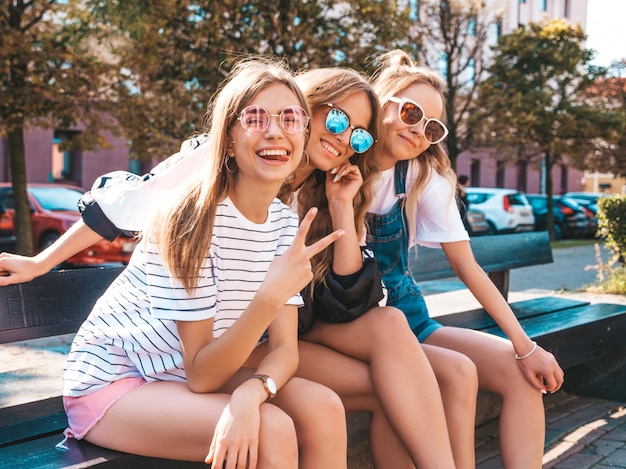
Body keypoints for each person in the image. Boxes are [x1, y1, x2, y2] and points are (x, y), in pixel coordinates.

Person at [0, 66, 459, 468]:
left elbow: (343, 300)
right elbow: (126, 203)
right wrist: (42, 261)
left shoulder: (296, 211)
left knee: (348, 386)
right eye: (337, 120)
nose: (342, 139)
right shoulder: (205, 192)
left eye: (357, 135)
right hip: (142, 368)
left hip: (222, 348)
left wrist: (340, 210)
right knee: (278, 425)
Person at [31, 58, 351, 468]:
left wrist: (253, 391)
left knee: (322, 406)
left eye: (290, 118)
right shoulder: (188, 221)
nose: (275, 131)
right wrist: (269, 297)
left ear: (303, 133)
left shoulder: (286, 224)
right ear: (229, 139)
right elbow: (202, 375)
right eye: (255, 118)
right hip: (118, 382)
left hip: (179, 372)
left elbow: (285, 349)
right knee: (271, 428)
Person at [366, 49, 565, 469]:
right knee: (455, 372)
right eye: (411, 112)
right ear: (382, 102)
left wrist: (526, 347)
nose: (419, 130)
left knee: (521, 375)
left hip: (408, 318)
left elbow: (466, 266)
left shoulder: (420, 178)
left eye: (431, 127)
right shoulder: (335, 163)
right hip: (355, 327)